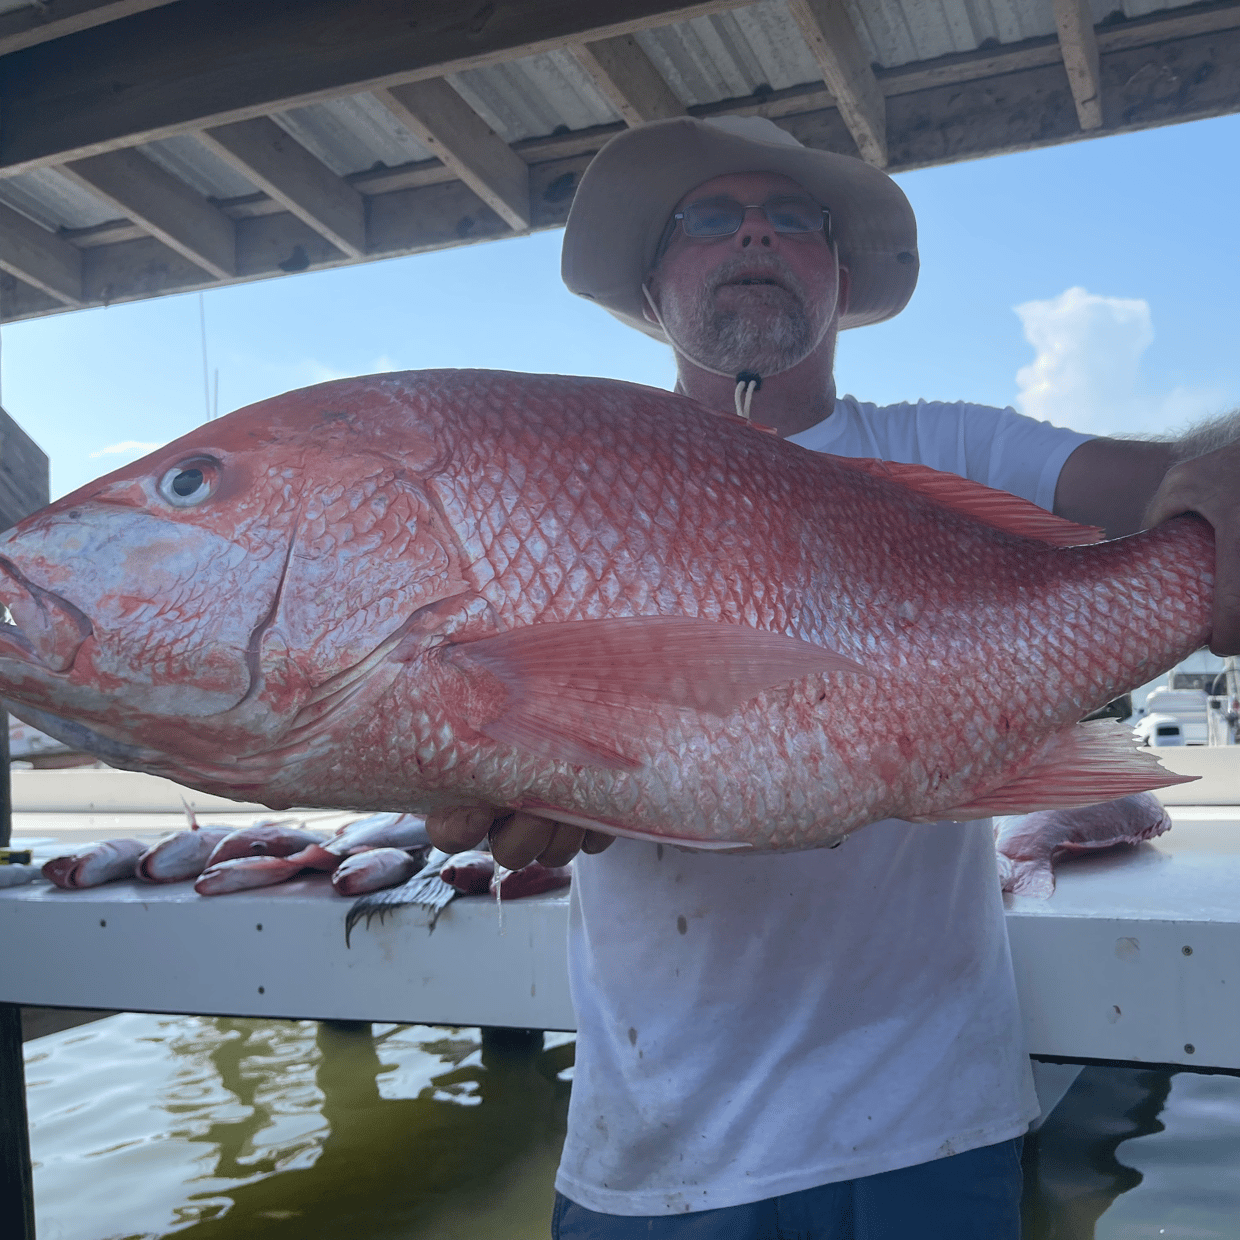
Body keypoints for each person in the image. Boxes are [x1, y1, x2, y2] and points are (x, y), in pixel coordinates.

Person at [426, 116, 1240, 1238]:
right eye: (708, 218)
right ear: (653, 285)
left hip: (937, 1121)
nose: (752, 232)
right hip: (658, 1153)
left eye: (791, 217)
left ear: (839, 273)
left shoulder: (955, 446)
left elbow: (1181, 489)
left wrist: (1223, 480)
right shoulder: (569, 474)